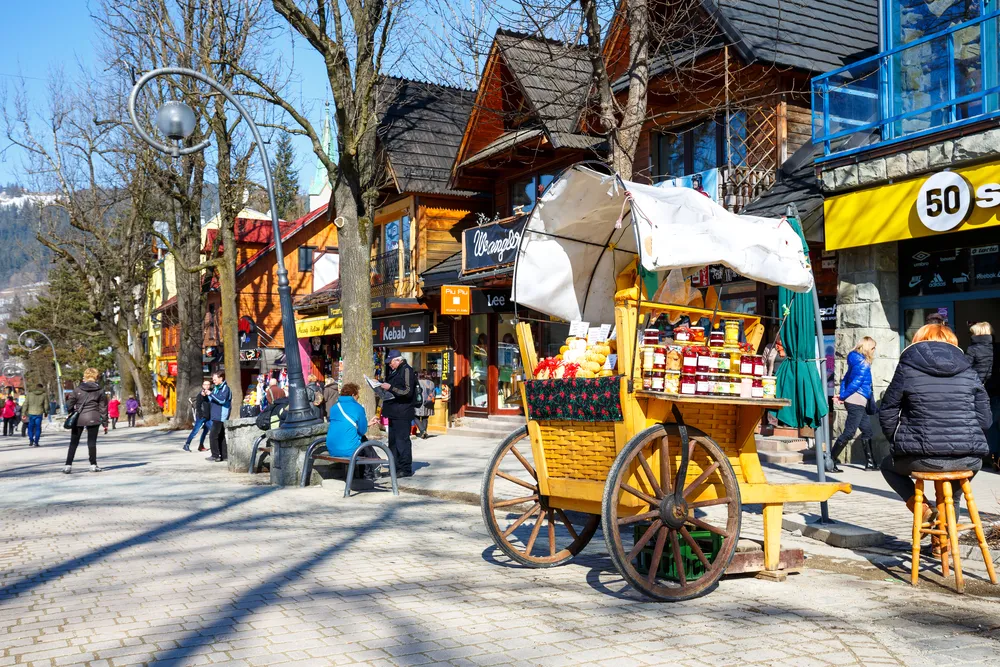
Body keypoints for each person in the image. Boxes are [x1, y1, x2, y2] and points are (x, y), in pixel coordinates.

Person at [879, 324, 992, 523]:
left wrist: (899, 442)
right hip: (969, 460)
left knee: (887, 466)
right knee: (952, 497)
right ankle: (943, 547)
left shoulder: (907, 369)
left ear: (919, 341)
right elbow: (985, 421)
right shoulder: (969, 371)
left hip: (921, 457)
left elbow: (887, 412)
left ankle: (923, 509)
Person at [830, 337, 877, 472]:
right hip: (857, 401)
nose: (874, 351)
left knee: (867, 431)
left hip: (856, 401)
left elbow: (845, 379)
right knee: (849, 432)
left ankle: (870, 463)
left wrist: (843, 395)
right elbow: (856, 383)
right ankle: (830, 461)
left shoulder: (854, 359)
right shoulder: (863, 363)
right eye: (873, 348)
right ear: (868, 348)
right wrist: (843, 396)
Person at [64, 368, 108, 474]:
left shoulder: (77, 389)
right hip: (94, 417)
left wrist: (71, 412)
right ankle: (93, 465)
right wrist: (105, 423)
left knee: (73, 442)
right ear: (96, 376)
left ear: (85, 376)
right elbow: (103, 408)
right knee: (92, 442)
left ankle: (68, 465)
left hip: (78, 418)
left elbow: (69, 404)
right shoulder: (100, 390)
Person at [380, 350, 416, 477]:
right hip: (393, 411)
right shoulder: (394, 371)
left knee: (402, 442)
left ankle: (405, 469)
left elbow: (407, 392)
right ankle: (394, 467)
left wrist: (390, 388)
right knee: (393, 442)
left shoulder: (406, 370)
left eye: (390, 362)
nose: (389, 365)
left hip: (402, 412)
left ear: (397, 360)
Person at [206, 371, 231, 462]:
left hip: (221, 416)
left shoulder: (225, 388)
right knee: (221, 436)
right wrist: (207, 395)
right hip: (216, 415)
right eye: (213, 379)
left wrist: (211, 394)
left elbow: (222, 400)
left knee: (213, 435)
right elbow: (213, 400)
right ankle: (224, 456)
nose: (214, 381)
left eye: (215, 379)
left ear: (221, 378)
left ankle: (215, 455)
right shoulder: (216, 388)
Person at [185, 380, 213, 452]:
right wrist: (200, 415)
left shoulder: (211, 394)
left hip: (208, 417)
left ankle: (201, 446)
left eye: (208, 384)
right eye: (205, 384)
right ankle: (187, 444)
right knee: (195, 431)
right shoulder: (200, 395)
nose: (207, 386)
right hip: (202, 416)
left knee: (208, 431)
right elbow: (198, 406)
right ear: (203, 386)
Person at [24, 383, 48, 447]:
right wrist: (46, 412)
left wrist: (23, 413)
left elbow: (25, 404)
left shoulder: (29, 394)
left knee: (30, 427)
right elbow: (46, 405)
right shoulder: (44, 395)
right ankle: (36, 442)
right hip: (39, 413)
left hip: (31, 413)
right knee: (38, 427)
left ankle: (31, 440)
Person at [415, 371, 436, 439]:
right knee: (425, 418)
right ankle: (424, 433)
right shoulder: (431, 383)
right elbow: (434, 393)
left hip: (419, 402)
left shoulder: (418, 382)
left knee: (415, 416)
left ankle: (422, 431)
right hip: (429, 403)